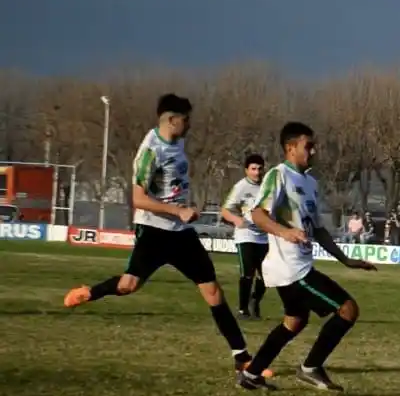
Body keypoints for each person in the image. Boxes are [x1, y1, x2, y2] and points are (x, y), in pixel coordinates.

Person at [62, 94, 268, 377]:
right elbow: (138, 199)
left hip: (181, 233)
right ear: (172, 120)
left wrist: (182, 213)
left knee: (212, 290)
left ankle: (242, 357)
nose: (190, 124)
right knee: (128, 286)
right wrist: (177, 210)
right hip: (154, 231)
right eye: (186, 119)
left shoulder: (178, 142)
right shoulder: (150, 152)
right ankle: (90, 292)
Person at [237, 122, 377, 391]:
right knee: (347, 309)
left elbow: (319, 230)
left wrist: (345, 259)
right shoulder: (278, 176)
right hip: (290, 268)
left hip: (299, 265)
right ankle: (310, 367)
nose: (313, 151)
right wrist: (285, 232)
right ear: (290, 148)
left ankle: (252, 375)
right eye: (308, 146)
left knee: (294, 322)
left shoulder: (311, 183)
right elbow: (257, 214)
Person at [221, 154, 269, 319]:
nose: (257, 172)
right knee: (247, 273)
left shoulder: (268, 186)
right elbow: (225, 210)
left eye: (259, 168)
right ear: (246, 170)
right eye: (253, 169)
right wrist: (236, 219)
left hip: (265, 236)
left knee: (267, 275)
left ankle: (255, 300)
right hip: (246, 235)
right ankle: (243, 309)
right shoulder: (241, 187)